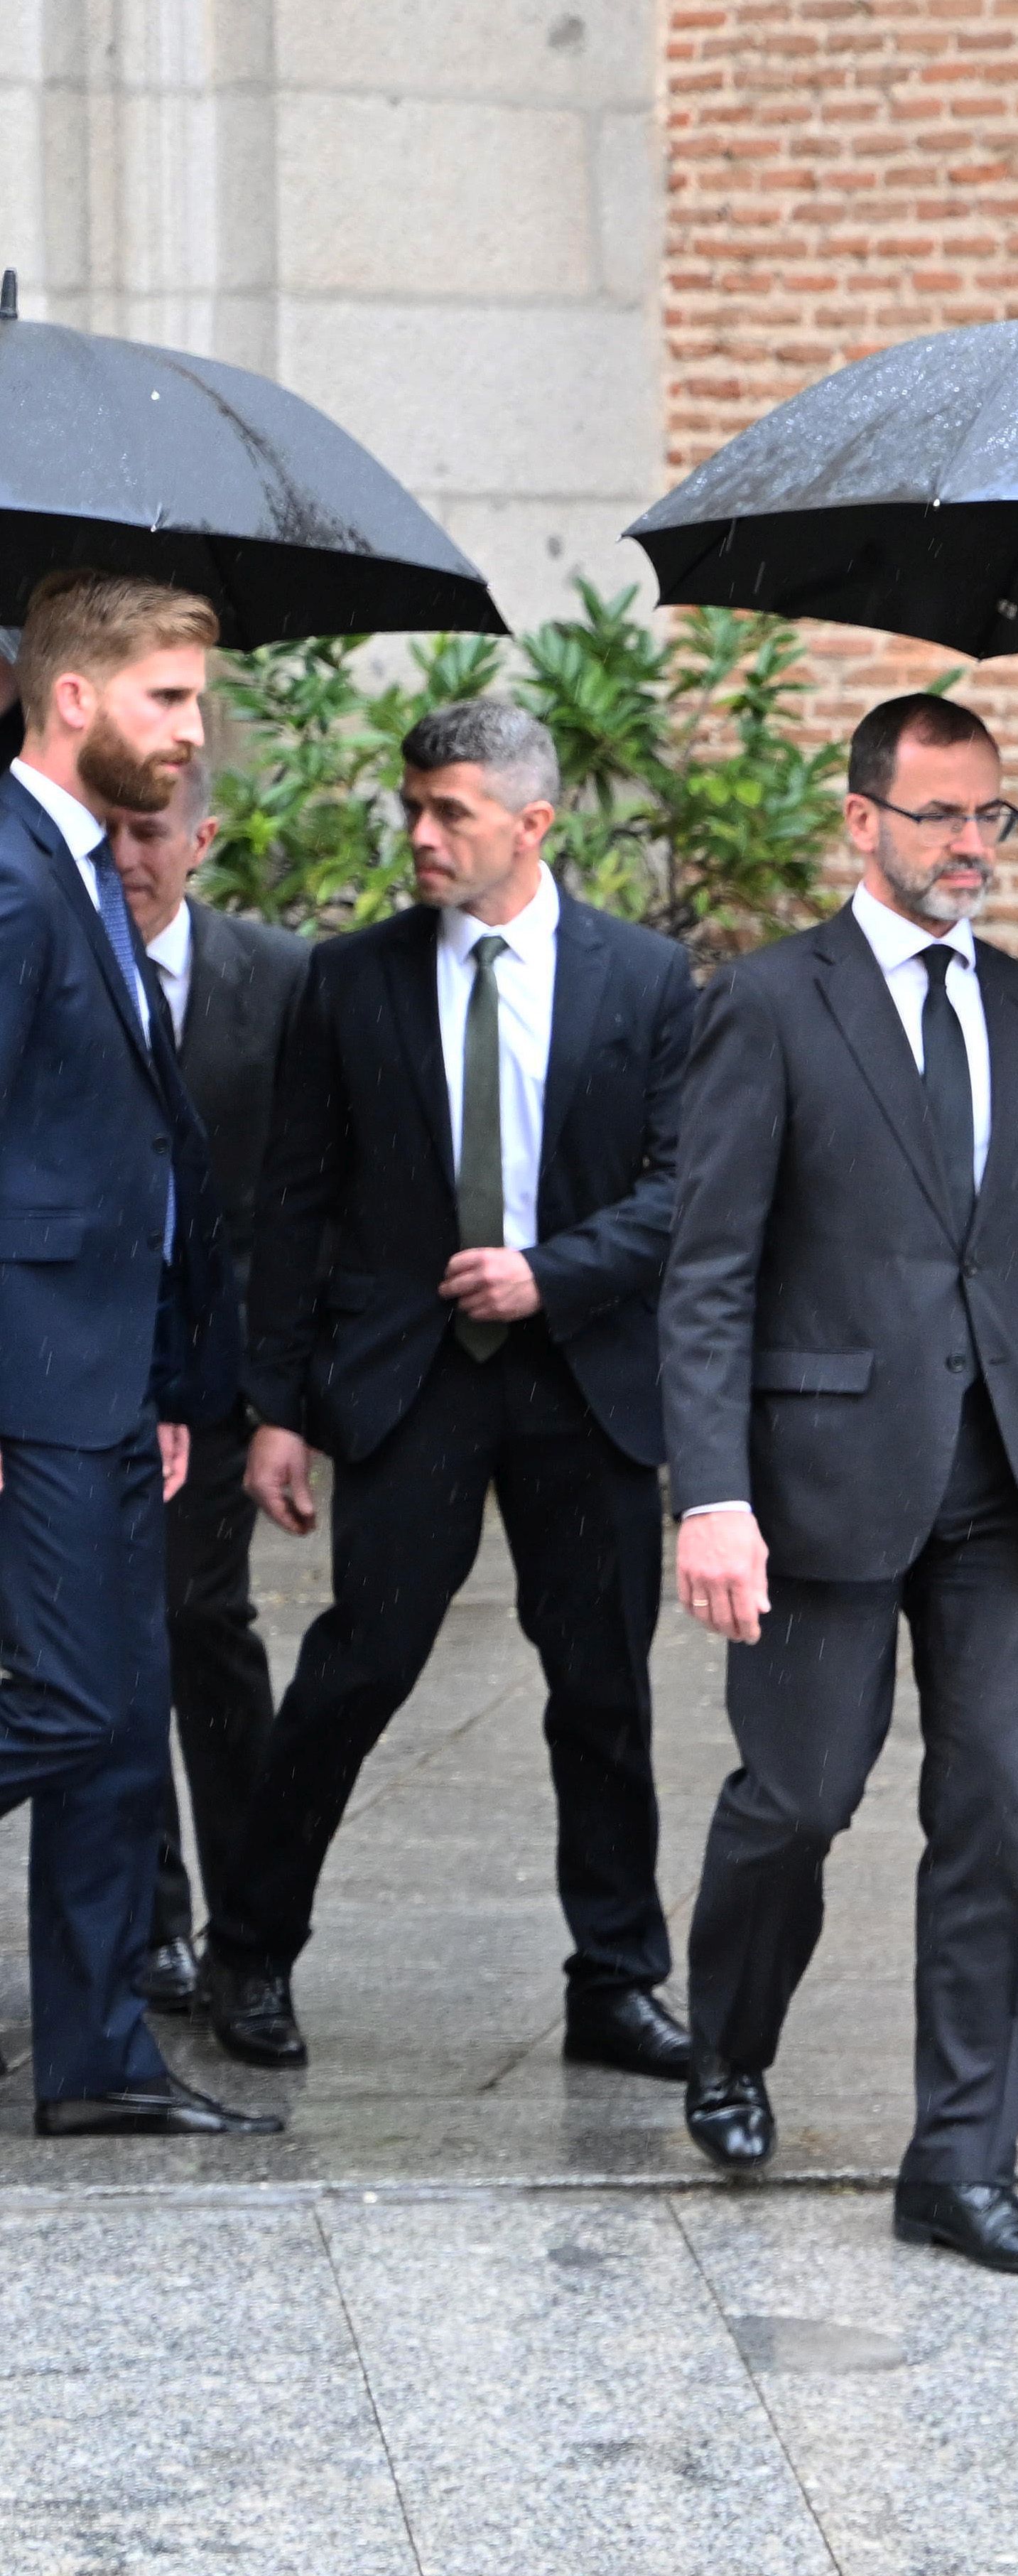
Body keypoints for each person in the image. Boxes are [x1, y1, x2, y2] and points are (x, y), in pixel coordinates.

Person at [660, 691, 1018, 2275]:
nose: (968, 846)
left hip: (1008, 1482)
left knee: (995, 1808)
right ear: (861, 819)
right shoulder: (771, 1005)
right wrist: (708, 1493)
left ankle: (961, 2159)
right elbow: (707, 1269)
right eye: (938, 816)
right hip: (818, 1478)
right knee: (794, 1801)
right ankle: (727, 2039)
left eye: (991, 816)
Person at [207, 702, 697, 2079]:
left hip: (582, 1376)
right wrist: (280, 1407)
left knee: (601, 1689)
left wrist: (553, 1273)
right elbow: (296, 1200)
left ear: (534, 825)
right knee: (357, 1669)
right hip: (413, 1376)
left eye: (453, 813)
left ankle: (616, 1980)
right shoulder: (350, 977)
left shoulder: (648, 980)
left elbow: (681, 1195)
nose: (421, 834)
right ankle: (250, 1945)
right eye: (412, 807)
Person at [0, 569, 258, 2135]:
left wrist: (169, 1376)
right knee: (81, 1709)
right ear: (74, 697)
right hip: (29, 1379)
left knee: (123, 1720)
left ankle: (97, 2058)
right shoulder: (16, 876)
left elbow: (128, 1155)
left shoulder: (87, 871)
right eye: (167, 698)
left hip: (109, 1378)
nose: (192, 731)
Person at [102, 782, 308, 2014]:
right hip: (74, 1369)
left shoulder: (281, 979)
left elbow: (306, 1195)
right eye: (110, 834)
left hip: (219, 1371)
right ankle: (148, 1923)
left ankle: (249, 1931)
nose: (130, 858)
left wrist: (283, 1392)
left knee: (199, 1624)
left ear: (202, 839)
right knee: (105, 1651)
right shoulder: (46, 959)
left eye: (151, 835)